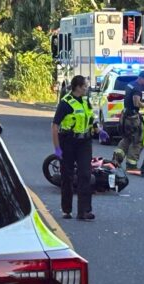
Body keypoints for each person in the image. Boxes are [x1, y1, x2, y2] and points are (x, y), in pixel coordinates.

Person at [51, 75, 96, 220]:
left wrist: (99, 130)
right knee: (67, 176)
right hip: (68, 142)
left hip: (84, 142)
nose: (86, 88)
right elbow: (55, 126)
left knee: (85, 174)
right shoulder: (65, 104)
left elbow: (90, 119)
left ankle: (84, 211)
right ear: (77, 87)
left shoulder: (85, 101)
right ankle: (67, 209)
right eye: (85, 86)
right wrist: (57, 148)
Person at [117, 70, 144, 170]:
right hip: (132, 118)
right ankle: (131, 164)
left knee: (127, 138)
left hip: (125, 116)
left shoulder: (130, 84)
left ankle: (116, 159)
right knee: (137, 140)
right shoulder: (137, 89)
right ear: (142, 78)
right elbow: (136, 103)